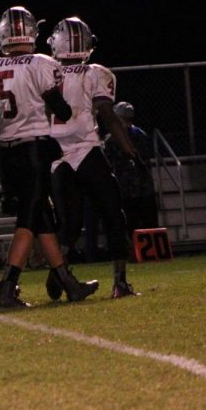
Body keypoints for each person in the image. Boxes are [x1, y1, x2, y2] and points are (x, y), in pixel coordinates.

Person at [0, 7, 98, 308]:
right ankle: (7, 286)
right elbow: (60, 108)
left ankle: (67, 281)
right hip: (34, 149)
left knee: (41, 216)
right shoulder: (42, 62)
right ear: (32, 32)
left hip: (7, 150)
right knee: (29, 217)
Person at [46, 17, 140, 298]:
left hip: (55, 155)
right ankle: (120, 283)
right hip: (86, 150)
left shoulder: (43, 69)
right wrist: (128, 148)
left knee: (70, 224)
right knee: (113, 214)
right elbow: (108, 114)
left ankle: (59, 274)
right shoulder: (96, 73)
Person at [106, 102, 158, 230]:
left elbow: (109, 161)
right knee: (149, 224)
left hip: (124, 188)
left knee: (130, 225)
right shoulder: (141, 134)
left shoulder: (112, 138)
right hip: (144, 186)